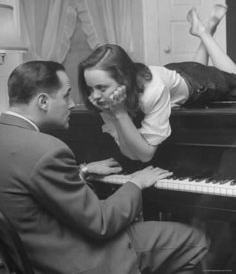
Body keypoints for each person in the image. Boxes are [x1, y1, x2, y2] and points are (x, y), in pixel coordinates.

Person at [0, 60, 208, 274]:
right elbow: (101, 222)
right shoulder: (47, 150)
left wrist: (82, 171)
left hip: (34, 258)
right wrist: (136, 182)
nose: (72, 104)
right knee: (195, 241)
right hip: (80, 259)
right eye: (66, 95)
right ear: (43, 101)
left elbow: (30, 188)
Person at [78, 4, 236, 163]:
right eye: (90, 89)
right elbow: (130, 152)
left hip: (197, 83)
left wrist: (118, 113)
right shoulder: (108, 100)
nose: (95, 96)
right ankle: (204, 31)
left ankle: (204, 31)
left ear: (123, 79)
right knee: (194, 72)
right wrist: (114, 112)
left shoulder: (153, 91)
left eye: (101, 88)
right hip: (173, 74)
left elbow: (145, 155)